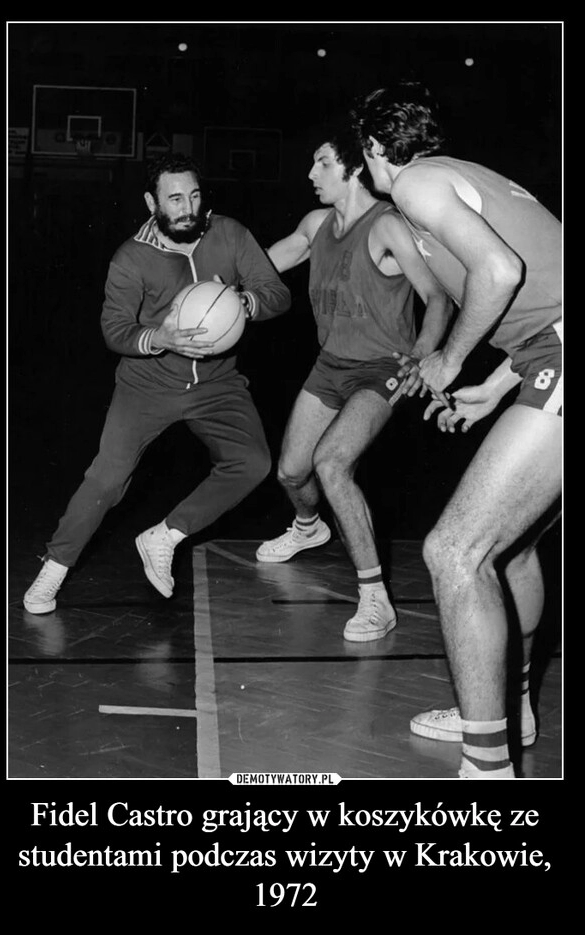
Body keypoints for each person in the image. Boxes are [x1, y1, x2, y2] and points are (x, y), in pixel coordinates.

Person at [352, 81, 561, 777]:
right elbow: (542, 298)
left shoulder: (417, 185)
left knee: (454, 551)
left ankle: (487, 768)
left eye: (364, 157)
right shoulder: (463, 179)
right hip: (547, 358)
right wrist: (491, 390)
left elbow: (500, 272)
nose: (367, 172)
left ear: (378, 149)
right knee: (511, 549)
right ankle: (511, 709)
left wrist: (445, 359)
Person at [23, 153, 291, 614]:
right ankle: (53, 569)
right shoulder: (131, 257)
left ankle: (165, 536)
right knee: (107, 479)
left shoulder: (229, 233)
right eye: (174, 198)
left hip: (217, 383)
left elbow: (277, 294)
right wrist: (159, 338)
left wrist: (242, 302)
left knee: (252, 462)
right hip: (147, 384)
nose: (187, 207)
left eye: (194, 195)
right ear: (152, 202)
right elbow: (115, 330)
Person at [256, 126, 452, 642]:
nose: (310, 173)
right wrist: (214, 283)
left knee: (332, 463)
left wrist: (423, 358)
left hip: (382, 369)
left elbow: (437, 297)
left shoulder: (386, 226)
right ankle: (307, 528)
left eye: (322, 163)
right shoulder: (317, 222)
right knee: (292, 474)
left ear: (354, 168)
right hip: (330, 366)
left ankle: (375, 599)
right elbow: (268, 261)